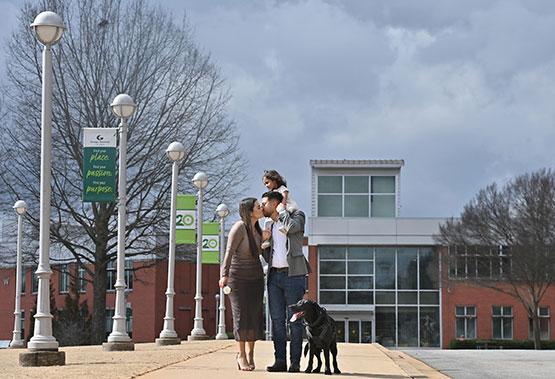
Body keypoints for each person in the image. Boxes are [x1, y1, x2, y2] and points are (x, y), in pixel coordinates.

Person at [260, 190, 311, 373]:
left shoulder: (297, 216)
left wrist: (282, 212)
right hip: (274, 277)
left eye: (264, 203)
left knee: (295, 321)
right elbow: (268, 255)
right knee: (277, 321)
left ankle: (295, 362)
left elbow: (291, 228)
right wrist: (263, 244)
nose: (262, 206)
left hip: (294, 275)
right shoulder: (268, 224)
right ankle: (280, 360)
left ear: (275, 203)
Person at [219, 198, 266, 371]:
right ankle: (241, 355)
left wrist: (266, 240)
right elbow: (229, 252)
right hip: (237, 279)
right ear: (249, 211)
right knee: (241, 316)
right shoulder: (239, 227)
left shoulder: (258, 230)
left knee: (254, 316)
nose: (261, 207)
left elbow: (260, 253)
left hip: (256, 279)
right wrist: (224, 275)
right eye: (257, 206)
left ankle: (251, 353)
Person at [261, 170, 298, 249]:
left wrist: (282, 208)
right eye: (265, 184)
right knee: (267, 222)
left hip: (285, 206)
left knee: (282, 218)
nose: (266, 185)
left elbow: (284, 199)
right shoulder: (272, 192)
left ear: (274, 181)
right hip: (276, 208)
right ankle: (267, 239)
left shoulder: (282, 188)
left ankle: (285, 228)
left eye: (267, 182)